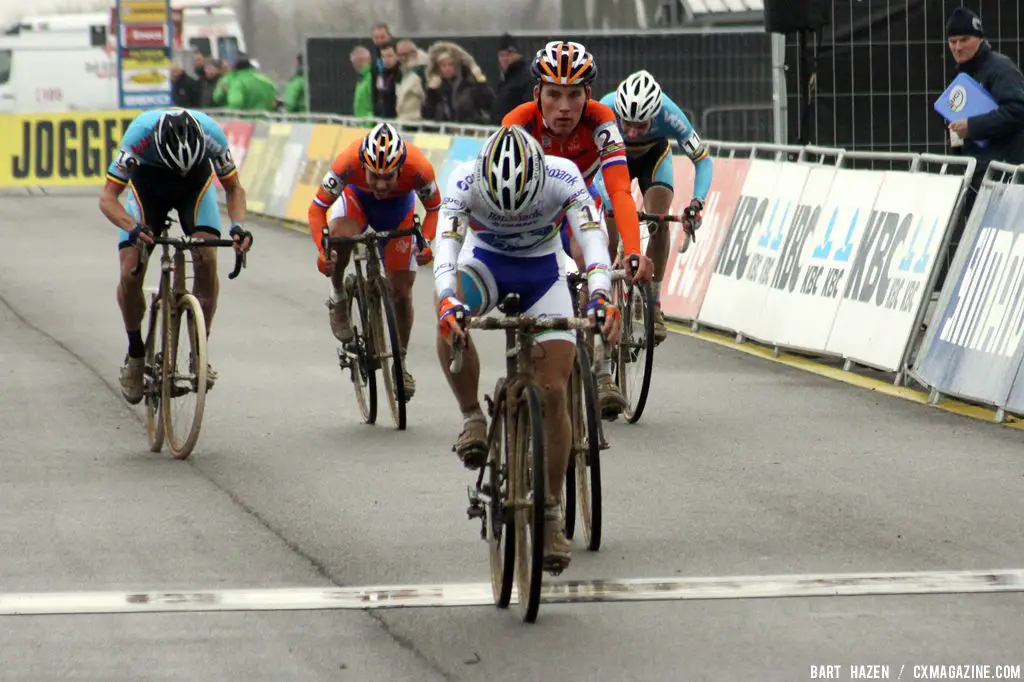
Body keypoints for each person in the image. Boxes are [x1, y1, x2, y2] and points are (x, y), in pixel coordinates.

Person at [433, 125, 622, 571]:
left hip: (545, 272)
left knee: (555, 391)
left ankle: (551, 511)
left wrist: (600, 293)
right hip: (485, 263)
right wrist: (448, 300)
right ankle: (472, 418)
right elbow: (446, 246)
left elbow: (593, 239)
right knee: (449, 320)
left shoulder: (564, 175)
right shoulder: (464, 178)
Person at [502, 39, 652, 418]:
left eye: (574, 95)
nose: (564, 107)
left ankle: (601, 370)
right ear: (538, 93)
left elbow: (619, 188)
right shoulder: (518, 122)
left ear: (588, 94)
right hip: (533, 213)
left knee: (591, 254)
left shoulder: (601, 120)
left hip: (580, 204)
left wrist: (633, 249)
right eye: (553, 94)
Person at [98, 108, 253, 405]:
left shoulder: (212, 135)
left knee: (206, 257)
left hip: (194, 188)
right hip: (148, 189)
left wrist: (237, 226)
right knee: (131, 272)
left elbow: (234, 189)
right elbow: (107, 198)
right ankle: (135, 353)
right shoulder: (139, 137)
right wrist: (132, 228)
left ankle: (199, 352)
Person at [308, 123, 439, 400]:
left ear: (400, 168)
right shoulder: (348, 161)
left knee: (401, 294)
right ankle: (338, 295)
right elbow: (317, 208)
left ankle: (400, 364)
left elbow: (434, 209)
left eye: (388, 177)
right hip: (356, 204)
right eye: (374, 176)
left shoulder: (419, 168)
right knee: (340, 237)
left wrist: (425, 243)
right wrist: (323, 250)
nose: (380, 185)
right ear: (363, 166)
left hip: (398, 213)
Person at [595, 69, 713, 344]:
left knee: (658, 220)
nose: (633, 132)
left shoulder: (670, 114)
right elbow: (591, 162)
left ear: (655, 115)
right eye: (627, 124)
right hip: (615, 160)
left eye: (642, 125)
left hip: (653, 158)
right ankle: (603, 295)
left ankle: (654, 303)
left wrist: (696, 204)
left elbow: (703, 160)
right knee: (609, 227)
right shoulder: (605, 107)